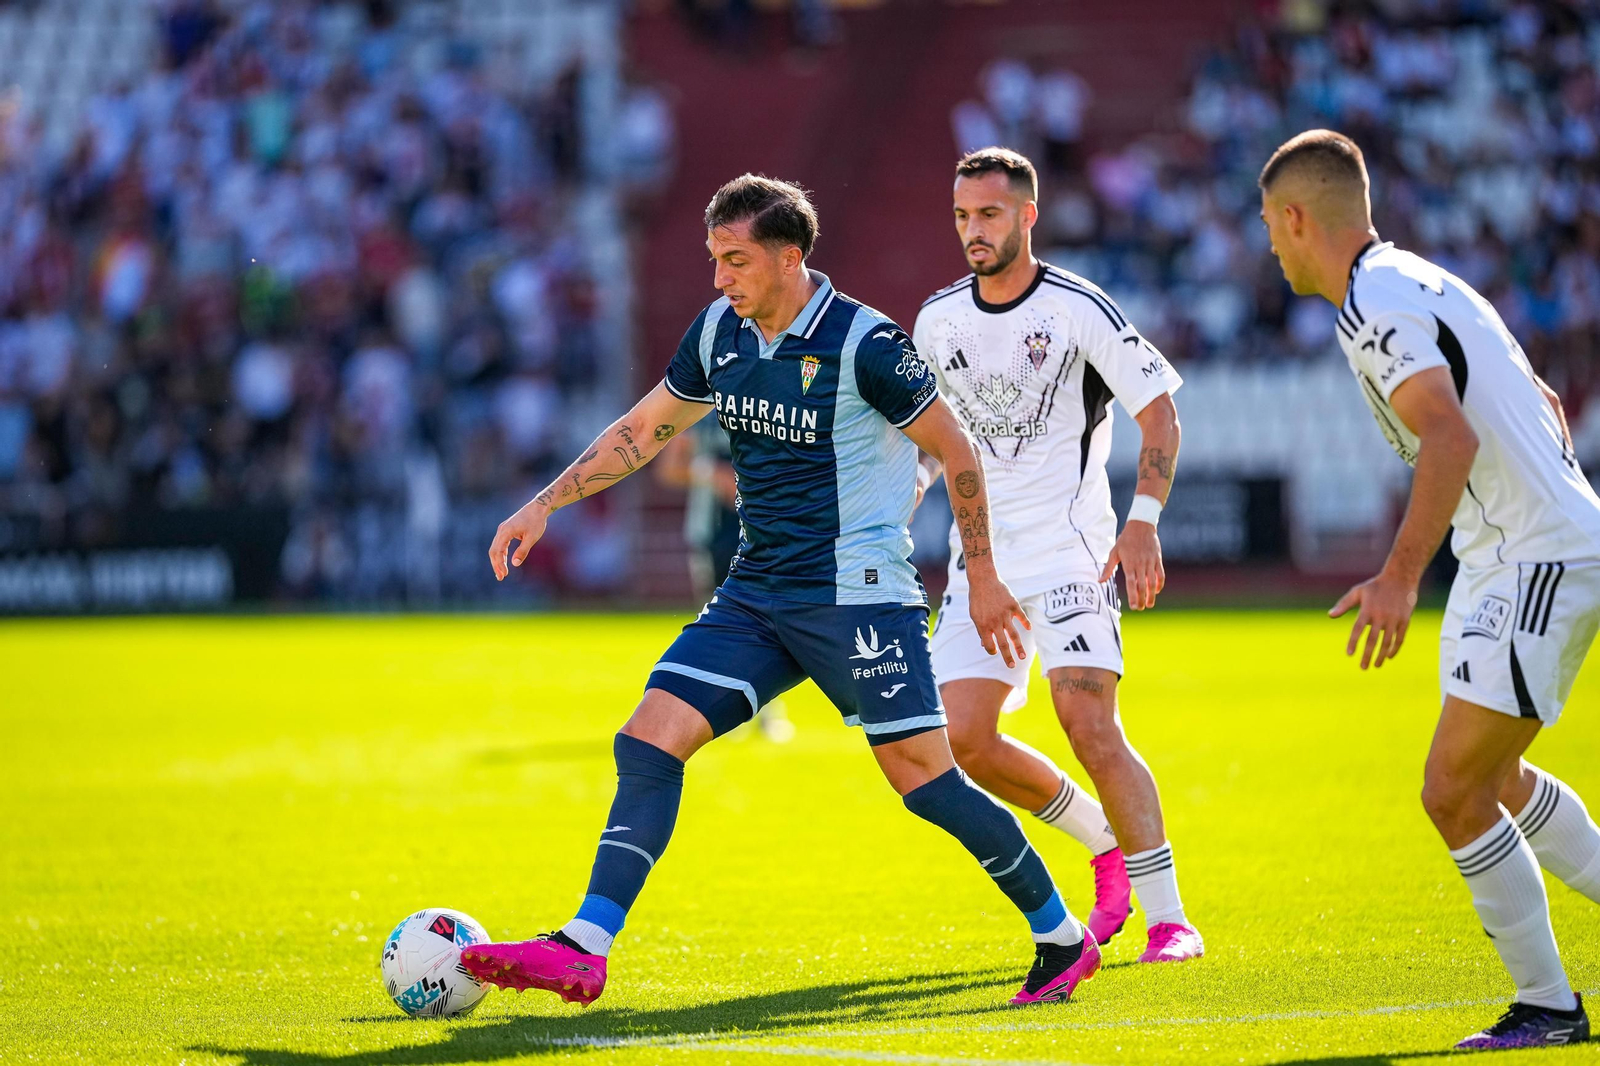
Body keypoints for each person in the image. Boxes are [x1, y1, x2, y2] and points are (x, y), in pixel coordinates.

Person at [465, 174, 1101, 1008]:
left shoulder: (865, 343)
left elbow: (957, 452)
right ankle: (584, 946)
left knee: (926, 782)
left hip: (859, 598)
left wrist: (980, 576)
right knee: (648, 739)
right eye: (713, 260)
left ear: (790, 257)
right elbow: (643, 430)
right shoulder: (718, 334)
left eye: (736, 261)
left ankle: (1062, 937)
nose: (721, 279)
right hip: (758, 592)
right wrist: (543, 503)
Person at [1259, 129, 1600, 1051]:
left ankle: (1551, 1008)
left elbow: (1449, 438)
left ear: (1297, 217)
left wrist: (1400, 577)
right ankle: (1551, 1004)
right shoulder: (1420, 277)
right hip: (1521, 551)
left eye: (1271, 226)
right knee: (1497, 780)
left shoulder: (1375, 303)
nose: (1272, 247)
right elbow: (1545, 402)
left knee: (1452, 791)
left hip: (1532, 557)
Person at [911, 147, 1203, 964]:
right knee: (961, 739)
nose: (974, 230)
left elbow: (1161, 416)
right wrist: (900, 511)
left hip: (1073, 560)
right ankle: (1104, 842)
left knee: (1089, 725)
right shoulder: (936, 320)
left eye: (991, 215)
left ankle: (1170, 917)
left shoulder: (1079, 308)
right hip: (981, 568)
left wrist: (1142, 522)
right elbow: (933, 446)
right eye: (964, 215)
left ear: (1028, 216)